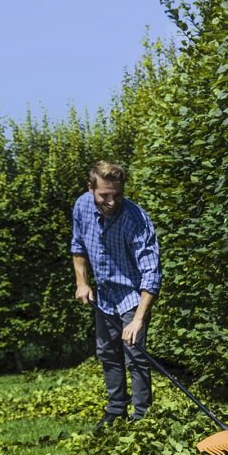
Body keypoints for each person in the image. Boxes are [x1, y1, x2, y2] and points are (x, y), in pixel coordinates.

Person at [70, 160, 162, 426]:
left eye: (117, 195)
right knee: (107, 353)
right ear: (91, 189)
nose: (111, 202)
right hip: (105, 295)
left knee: (136, 356)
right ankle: (115, 411)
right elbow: (78, 247)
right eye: (105, 195)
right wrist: (82, 283)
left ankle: (143, 419)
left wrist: (137, 320)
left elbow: (151, 273)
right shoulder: (82, 206)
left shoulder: (137, 220)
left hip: (133, 296)